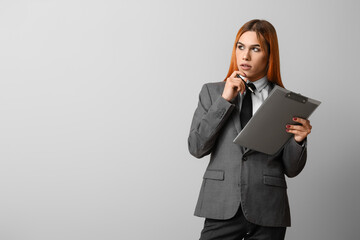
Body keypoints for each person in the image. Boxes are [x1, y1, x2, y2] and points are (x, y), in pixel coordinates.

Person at [188, 19, 312, 240]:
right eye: (240, 47)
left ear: (269, 55)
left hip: (268, 208)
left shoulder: (285, 101)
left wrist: (299, 142)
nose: (245, 56)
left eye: (255, 49)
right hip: (221, 204)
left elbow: (291, 169)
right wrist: (225, 100)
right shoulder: (211, 93)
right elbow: (197, 147)